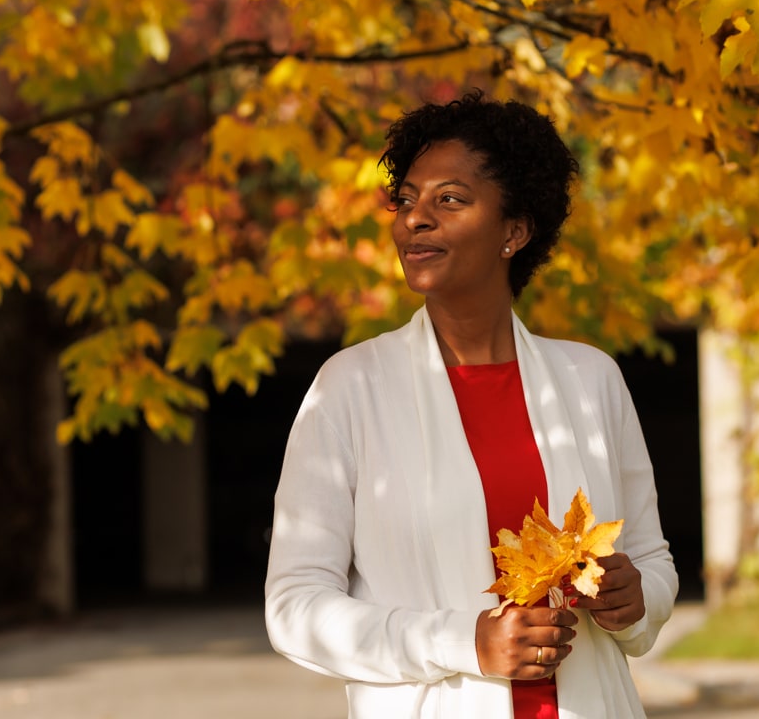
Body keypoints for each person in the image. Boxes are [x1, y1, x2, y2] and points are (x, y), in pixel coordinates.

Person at [264, 90, 678, 719]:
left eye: (448, 200)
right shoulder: (349, 389)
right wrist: (464, 642)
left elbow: (651, 558)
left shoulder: (591, 380)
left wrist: (636, 596)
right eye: (405, 201)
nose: (414, 219)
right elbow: (294, 606)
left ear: (514, 230)